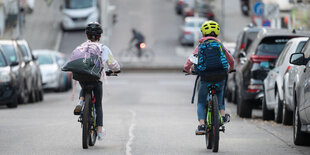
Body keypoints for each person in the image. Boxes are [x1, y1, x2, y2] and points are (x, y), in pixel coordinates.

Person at [183, 20, 234, 135]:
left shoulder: (201, 46)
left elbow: (189, 62)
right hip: (220, 75)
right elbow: (231, 60)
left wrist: (188, 70)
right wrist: (230, 69)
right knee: (220, 94)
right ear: (217, 34)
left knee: (201, 101)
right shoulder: (220, 45)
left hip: (205, 77)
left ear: (203, 34)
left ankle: (201, 125)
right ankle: (222, 116)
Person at [73, 22, 120, 141]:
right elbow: (112, 64)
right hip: (96, 79)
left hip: (83, 77)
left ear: (87, 35)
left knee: (84, 86)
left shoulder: (81, 47)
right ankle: (99, 131)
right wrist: (116, 70)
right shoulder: (103, 48)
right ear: (99, 36)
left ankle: (81, 101)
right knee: (98, 104)